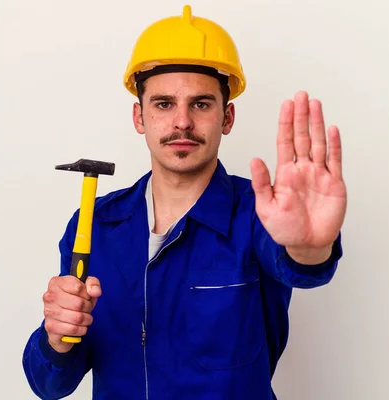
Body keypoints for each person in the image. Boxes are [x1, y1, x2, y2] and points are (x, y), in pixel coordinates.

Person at [22, 5, 346, 399]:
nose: (182, 122)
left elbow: (301, 267)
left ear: (226, 118)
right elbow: (50, 385)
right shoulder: (95, 225)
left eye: (201, 104)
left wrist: (309, 247)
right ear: (139, 117)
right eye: (163, 104)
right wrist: (57, 336)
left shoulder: (260, 212)